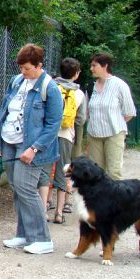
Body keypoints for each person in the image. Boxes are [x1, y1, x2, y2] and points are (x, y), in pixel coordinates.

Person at [0, 43, 63, 254]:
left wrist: (34, 148)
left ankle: (42, 239)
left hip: (31, 147)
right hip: (9, 141)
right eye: (21, 68)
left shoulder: (49, 88)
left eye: (27, 69)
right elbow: (4, 110)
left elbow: (53, 125)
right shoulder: (16, 82)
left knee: (26, 189)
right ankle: (24, 234)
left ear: (39, 65)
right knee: (17, 189)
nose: (23, 73)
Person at [87, 52, 136, 180]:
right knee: (95, 174)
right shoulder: (91, 86)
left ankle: (117, 200)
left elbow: (129, 112)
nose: (91, 68)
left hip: (114, 134)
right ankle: (98, 200)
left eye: (94, 65)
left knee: (114, 172)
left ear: (105, 66)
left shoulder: (120, 85)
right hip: (94, 135)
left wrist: (114, 121)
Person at [50, 57, 87, 223]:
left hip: (49, 133)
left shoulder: (52, 87)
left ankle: (43, 206)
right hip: (66, 135)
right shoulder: (79, 93)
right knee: (63, 170)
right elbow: (81, 119)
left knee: (44, 169)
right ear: (76, 74)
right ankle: (59, 212)